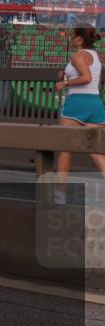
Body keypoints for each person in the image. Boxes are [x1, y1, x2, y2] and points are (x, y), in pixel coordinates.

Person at [55, 26, 105, 202]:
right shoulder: (95, 57)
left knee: (65, 151)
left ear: (79, 39)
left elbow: (86, 78)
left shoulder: (77, 55)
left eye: (73, 34)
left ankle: (60, 193)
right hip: (95, 105)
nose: (70, 37)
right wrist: (66, 74)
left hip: (76, 105)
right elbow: (90, 77)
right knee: (96, 151)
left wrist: (64, 84)